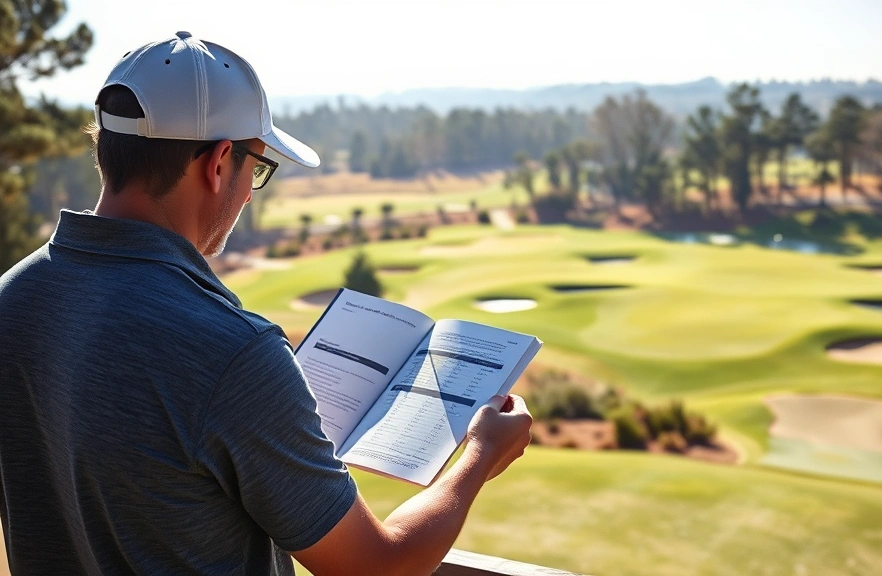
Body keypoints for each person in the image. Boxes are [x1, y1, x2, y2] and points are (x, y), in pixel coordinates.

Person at [0, 31, 533, 576]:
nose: (250, 193)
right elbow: (380, 564)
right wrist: (479, 454)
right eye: (256, 169)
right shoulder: (230, 350)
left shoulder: (11, 299)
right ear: (218, 163)